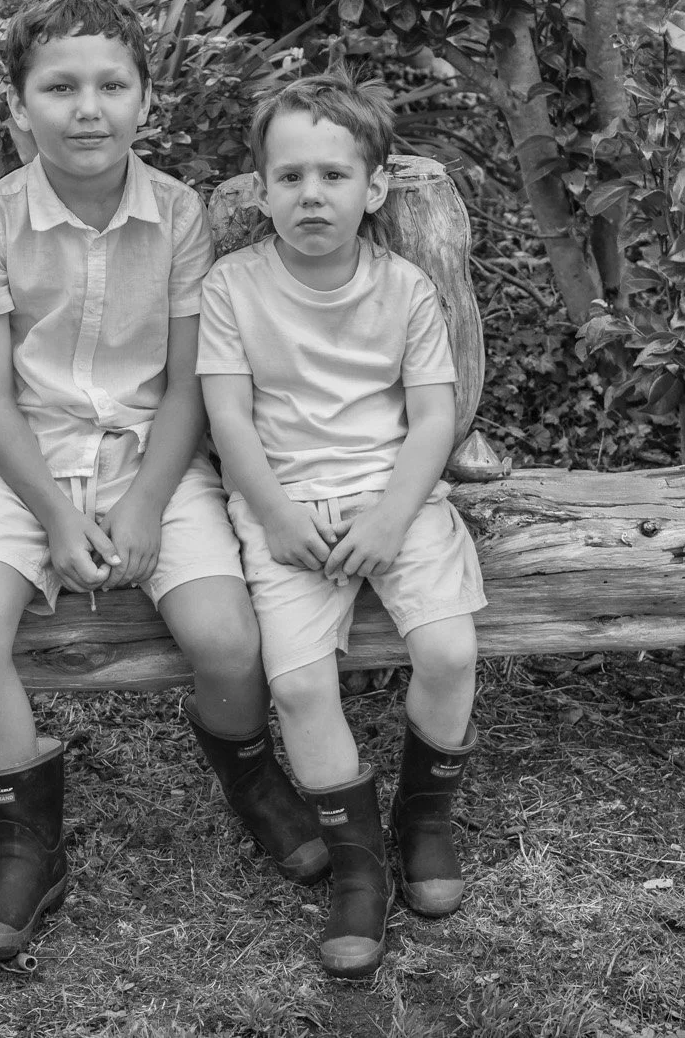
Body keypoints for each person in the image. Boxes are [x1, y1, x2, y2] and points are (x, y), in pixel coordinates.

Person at [0, 0, 324, 964]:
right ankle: (26, 844)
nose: (86, 108)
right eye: (58, 86)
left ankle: (247, 772)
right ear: (18, 105)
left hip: (152, 449)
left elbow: (191, 381)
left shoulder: (179, 216)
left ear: (146, 101)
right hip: (22, 457)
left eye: (112, 84)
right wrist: (56, 523)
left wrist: (146, 500)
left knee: (227, 640)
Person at [198, 73, 486, 979]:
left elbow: (433, 418)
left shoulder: (403, 287)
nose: (310, 195)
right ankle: (357, 865)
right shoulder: (232, 288)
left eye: (332, 175)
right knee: (300, 688)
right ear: (261, 190)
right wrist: (276, 516)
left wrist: (396, 514)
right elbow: (229, 419)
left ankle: (423, 822)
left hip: (397, 497)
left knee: (448, 653)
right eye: (289, 177)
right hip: (284, 510)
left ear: (376, 188)